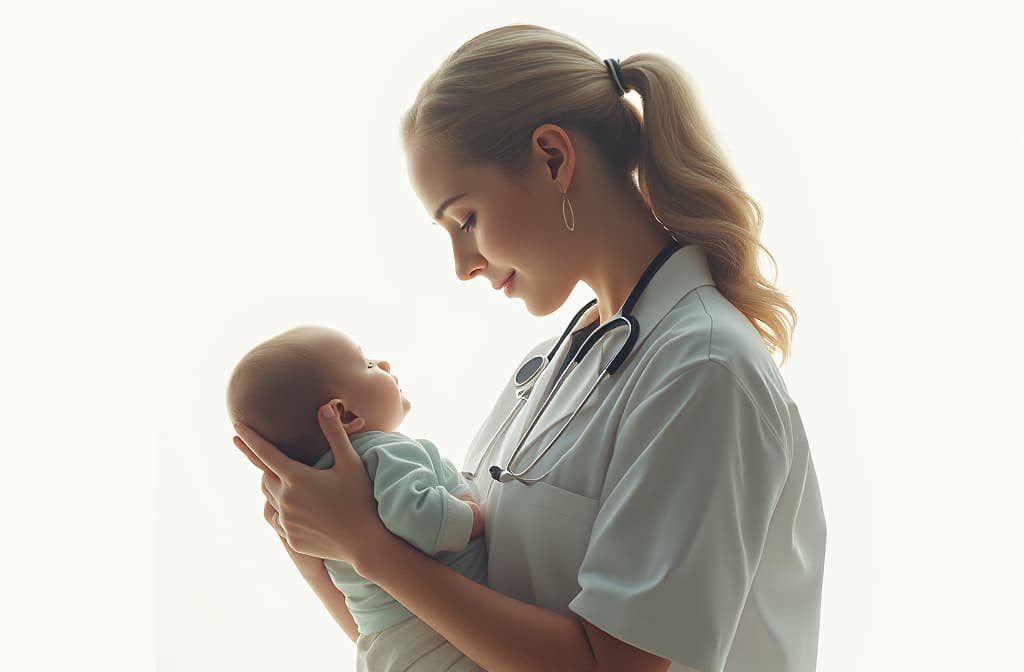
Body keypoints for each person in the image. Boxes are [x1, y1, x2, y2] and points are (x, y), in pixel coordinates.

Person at [234, 24, 827, 672]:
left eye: (465, 219)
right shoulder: (551, 366)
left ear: (552, 158)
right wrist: (314, 539)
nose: (463, 264)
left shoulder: (703, 372)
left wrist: (370, 548)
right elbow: (431, 640)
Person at [227, 326, 486, 671]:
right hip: (440, 638)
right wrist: (474, 517)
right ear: (344, 414)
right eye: (366, 364)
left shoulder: (314, 496)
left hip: (384, 642)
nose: (384, 363)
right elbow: (418, 519)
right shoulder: (386, 451)